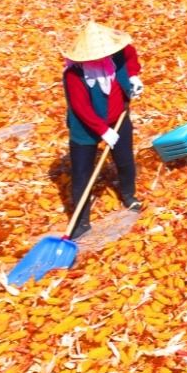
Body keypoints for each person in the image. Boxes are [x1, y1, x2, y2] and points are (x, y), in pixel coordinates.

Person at [61, 21, 144, 240]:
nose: (99, 59)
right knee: (82, 173)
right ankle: (81, 221)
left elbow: (131, 57)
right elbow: (81, 107)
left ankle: (128, 195)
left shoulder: (118, 54)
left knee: (125, 160)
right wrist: (103, 130)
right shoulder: (74, 75)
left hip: (118, 117)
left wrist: (134, 77)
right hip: (85, 127)